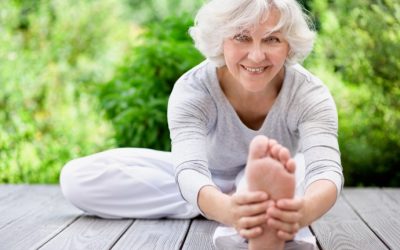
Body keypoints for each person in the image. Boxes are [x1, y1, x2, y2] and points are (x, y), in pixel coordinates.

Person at [60, 0, 343, 249]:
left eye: (272, 40)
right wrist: (226, 208)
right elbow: (190, 168)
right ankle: (244, 208)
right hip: (208, 175)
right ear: (220, 40)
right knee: (77, 178)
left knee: (301, 168)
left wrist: (303, 211)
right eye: (242, 37)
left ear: (289, 44)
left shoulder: (309, 94)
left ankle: (256, 206)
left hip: (281, 172)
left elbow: (326, 169)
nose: (256, 55)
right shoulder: (193, 90)